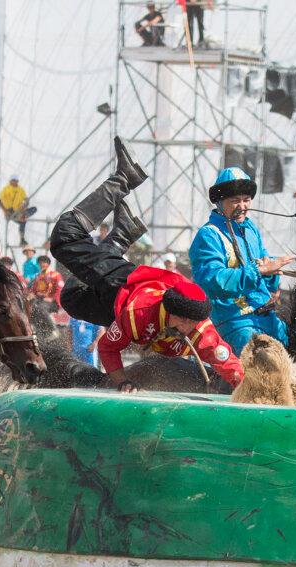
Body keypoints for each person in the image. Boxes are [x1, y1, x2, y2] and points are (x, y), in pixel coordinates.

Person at [50, 136, 243, 390]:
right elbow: (108, 348)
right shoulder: (138, 315)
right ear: (171, 311)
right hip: (120, 284)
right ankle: (124, 179)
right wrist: (123, 382)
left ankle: (121, 236)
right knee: (64, 237)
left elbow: (231, 366)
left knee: (72, 298)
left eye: (192, 324)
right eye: (183, 322)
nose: (188, 330)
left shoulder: (200, 331)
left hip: (120, 310)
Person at [188, 167, 291, 356]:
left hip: (267, 316)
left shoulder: (250, 228)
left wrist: (272, 272)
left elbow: (265, 270)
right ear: (219, 202)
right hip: (234, 322)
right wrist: (259, 271)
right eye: (235, 200)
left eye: (246, 200)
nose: (242, 206)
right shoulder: (208, 235)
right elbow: (212, 281)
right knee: (261, 362)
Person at [0, 174, 36, 246]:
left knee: (34, 209)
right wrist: (5, 211)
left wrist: (25, 208)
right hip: (10, 211)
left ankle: (24, 215)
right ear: (10, 181)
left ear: (17, 181)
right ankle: (22, 239)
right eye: (13, 180)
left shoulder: (20, 189)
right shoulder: (6, 189)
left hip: (19, 211)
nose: (14, 182)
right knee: (22, 221)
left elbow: (26, 199)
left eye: (15, 180)